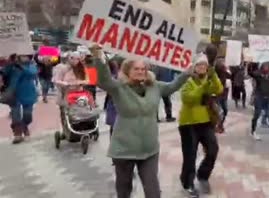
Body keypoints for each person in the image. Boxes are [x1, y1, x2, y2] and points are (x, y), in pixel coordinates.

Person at [91, 45, 190, 198]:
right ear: (127, 71)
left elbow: (173, 86)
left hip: (149, 149)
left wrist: (188, 72)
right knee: (124, 191)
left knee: (153, 192)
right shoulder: (119, 88)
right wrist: (98, 57)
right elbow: (103, 80)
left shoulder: (155, 86)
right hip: (124, 150)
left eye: (143, 69)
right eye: (136, 69)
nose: (140, 71)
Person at [178, 54, 223, 197]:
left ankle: (203, 175)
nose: (202, 67)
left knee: (213, 149)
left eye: (204, 65)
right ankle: (187, 182)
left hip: (205, 122)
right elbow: (189, 98)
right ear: (194, 67)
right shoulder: (188, 80)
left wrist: (214, 75)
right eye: (199, 65)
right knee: (190, 155)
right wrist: (203, 86)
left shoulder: (208, 79)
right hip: (188, 123)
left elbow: (219, 89)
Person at [2, 54, 38, 144]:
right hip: (14, 93)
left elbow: (32, 73)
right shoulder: (11, 65)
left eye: (25, 56)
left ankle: (24, 127)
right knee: (15, 115)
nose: (22, 57)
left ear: (29, 57)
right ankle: (17, 134)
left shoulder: (31, 65)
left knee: (28, 116)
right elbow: (4, 73)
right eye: (21, 56)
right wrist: (9, 63)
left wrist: (21, 67)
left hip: (28, 93)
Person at [104, 59, 119, 137]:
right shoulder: (114, 76)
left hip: (114, 103)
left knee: (114, 127)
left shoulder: (112, 77)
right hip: (114, 104)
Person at [215, 59, 231, 131]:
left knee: (225, 110)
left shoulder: (225, 72)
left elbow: (231, 76)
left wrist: (228, 71)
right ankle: (217, 126)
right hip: (217, 94)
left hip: (224, 94)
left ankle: (220, 124)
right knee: (219, 111)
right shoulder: (215, 73)